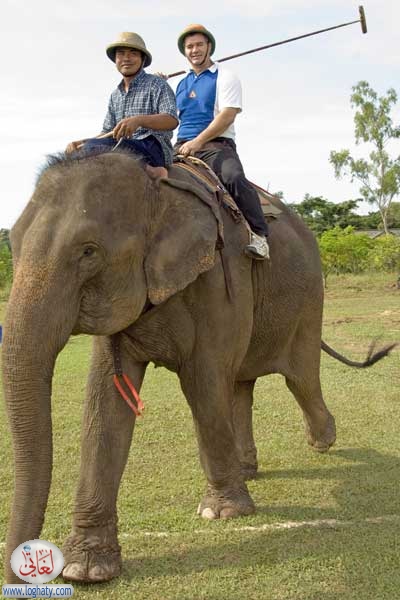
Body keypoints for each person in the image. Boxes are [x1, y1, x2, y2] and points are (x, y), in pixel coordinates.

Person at [174, 24, 270, 259]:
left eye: (198, 45)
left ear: (209, 47)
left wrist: (198, 142)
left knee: (233, 177)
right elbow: (170, 118)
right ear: (184, 51)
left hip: (216, 145)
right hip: (181, 146)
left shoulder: (225, 77)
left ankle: (260, 236)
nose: (194, 50)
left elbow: (227, 115)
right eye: (189, 47)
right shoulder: (180, 84)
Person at [66, 32, 178, 179]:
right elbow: (108, 131)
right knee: (80, 153)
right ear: (115, 59)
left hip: (152, 146)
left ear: (142, 59)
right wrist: (82, 142)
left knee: (93, 148)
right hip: (121, 146)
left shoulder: (157, 84)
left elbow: (171, 119)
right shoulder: (115, 95)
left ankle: (152, 169)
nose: (126, 58)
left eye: (133, 53)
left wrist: (138, 120)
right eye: (121, 54)